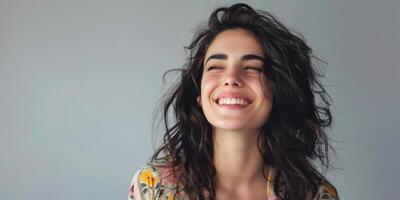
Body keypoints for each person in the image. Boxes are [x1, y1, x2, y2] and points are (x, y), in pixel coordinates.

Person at [128, 3, 339, 200]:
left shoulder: (317, 195)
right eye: (215, 67)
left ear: (278, 90)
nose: (231, 78)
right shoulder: (153, 187)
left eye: (252, 67)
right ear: (199, 94)